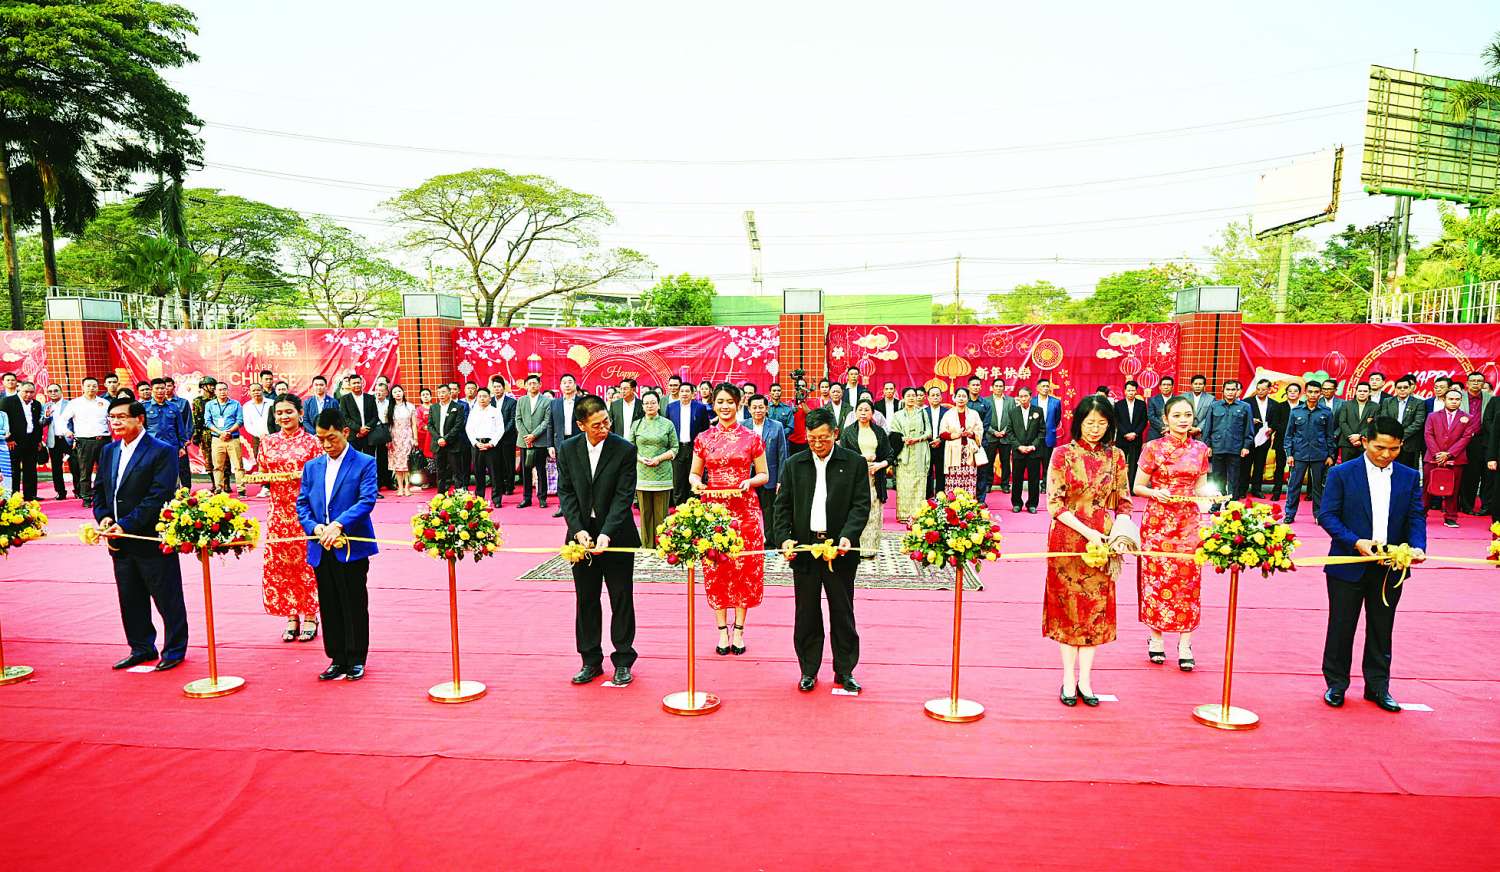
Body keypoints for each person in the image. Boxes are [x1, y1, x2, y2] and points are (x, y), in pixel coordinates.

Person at [1317, 415, 1427, 712]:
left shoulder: (1408, 476)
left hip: (1391, 566)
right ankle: (1336, 684)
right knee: (1341, 626)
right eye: (1380, 447)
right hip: (1348, 563)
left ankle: (1378, 687)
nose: (1386, 454)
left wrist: (1417, 546)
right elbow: (1327, 515)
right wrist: (1356, 541)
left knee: (1382, 627)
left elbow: (1416, 515)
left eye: (1394, 449)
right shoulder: (1342, 473)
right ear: (1365, 441)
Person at [1043, 395, 1134, 707]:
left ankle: (1086, 680)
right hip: (1068, 540)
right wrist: (1088, 532)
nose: (1095, 429)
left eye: (1102, 423)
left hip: (1103, 542)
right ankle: (1068, 679)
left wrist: (1120, 532)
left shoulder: (1116, 456)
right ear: (1078, 422)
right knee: (1068, 610)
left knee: (1095, 610)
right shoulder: (1062, 454)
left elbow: (1124, 502)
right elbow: (1055, 504)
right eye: (1090, 422)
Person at [774, 406, 870, 693]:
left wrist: (848, 536)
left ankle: (845, 670)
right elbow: (782, 507)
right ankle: (808, 670)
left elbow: (860, 505)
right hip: (805, 549)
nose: (817, 444)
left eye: (823, 438)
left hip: (839, 550)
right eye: (812, 438)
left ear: (835, 434)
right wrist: (784, 539)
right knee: (806, 613)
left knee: (842, 612)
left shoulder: (854, 463)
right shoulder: (794, 464)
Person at [93, 397, 187, 671]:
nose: (116, 422)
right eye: (112, 418)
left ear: (140, 419)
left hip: (150, 539)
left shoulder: (162, 451)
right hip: (118, 540)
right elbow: (100, 490)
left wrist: (126, 524)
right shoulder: (109, 450)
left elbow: (158, 496)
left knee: (167, 598)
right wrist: (104, 517)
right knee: (130, 598)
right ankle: (141, 647)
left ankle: (174, 650)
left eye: (122, 417)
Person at [556, 394, 640, 686]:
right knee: (586, 598)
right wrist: (577, 528)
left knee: (621, 597)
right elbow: (566, 492)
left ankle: (624, 659)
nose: (604, 428)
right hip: (581, 536)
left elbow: (623, 496)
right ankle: (590, 660)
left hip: (616, 533)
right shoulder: (568, 449)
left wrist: (606, 532)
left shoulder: (624, 449)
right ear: (581, 425)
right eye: (596, 425)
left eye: (606, 422)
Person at [297, 409, 379, 682]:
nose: (326, 445)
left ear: (345, 432)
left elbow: (366, 500)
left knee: (353, 601)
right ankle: (337, 657)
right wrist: (314, 527)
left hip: (351, 546)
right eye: (321, 439)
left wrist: (339, 524)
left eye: (331, 438)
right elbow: (303, 503)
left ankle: (356, 658)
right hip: (321, 545)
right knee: (329, 602)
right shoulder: (312, 467)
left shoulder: (364, 463)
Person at [690, 383, 769, 657]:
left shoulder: (751, 438)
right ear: (713, 404)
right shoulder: (703, 438)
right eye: (720, 402)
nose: (725, 407)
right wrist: (697, 483)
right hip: (713, 511)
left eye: (730, 402)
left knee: (743, 567)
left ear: (739, 404)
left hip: (745, 510)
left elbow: (764, 475)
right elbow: (694, 473)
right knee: (717, 568)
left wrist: (750, 482)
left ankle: (739, 631)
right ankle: (722, 630)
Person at [1134, 395, 1212, 669]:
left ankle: (1185, 643)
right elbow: (1138, 487)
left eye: (1187, 415)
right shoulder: (1153, 448)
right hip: (1158, 523)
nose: (1183, 420)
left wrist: (1211, 498)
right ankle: (1156, 638)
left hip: (1189, 523)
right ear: (1165, 419)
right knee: (1157, 580)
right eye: (1177, 415)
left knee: (1188, 581)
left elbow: (1201, 487)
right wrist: (1156, 493)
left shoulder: (1201, 449)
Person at [260, 395, 324, 643]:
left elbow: (320, 476)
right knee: (283, 566)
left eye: (289, 411)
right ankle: (291, 615)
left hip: (306, 512)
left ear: (300, 413)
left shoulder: (313, 442)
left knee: (307, 564)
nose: (284, 417)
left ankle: (310, 615)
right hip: (278, 513)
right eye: (279, 413)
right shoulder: (267, 442)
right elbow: (263, 474)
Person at [839, 398, 891, 560]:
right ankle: (855, 547)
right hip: (854, 478)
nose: (863, 413)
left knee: (873, 512)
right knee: (855, 511)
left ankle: (870, 549)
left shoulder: (879, 432)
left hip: (875, 478)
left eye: (866, 410)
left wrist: (880, 464)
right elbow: (843, 456)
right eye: (860, 410)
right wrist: (862, 459)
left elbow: (889, 454)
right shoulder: (848, 432)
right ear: (855, 413)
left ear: (872, 413)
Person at [1284, 382, 1336, 523]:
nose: (1313, 395)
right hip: (1299, 454)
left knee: (1318, 487)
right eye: (1310, 392)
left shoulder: (1326, 412)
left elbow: (1329, 436)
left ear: (1320, 393)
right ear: (1305, 393)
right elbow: (1289, 435)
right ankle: (1289, 514)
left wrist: (1331, 455)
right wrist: (1289, 454)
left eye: (1316, 392)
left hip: (1319, 454)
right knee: (1294, 486)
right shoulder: (1296, 411)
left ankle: (1319, 515)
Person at [1424, 387, 1474, 529]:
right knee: (1427, 488)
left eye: (1457, 399)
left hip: (1456, 459)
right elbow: (1428, 435)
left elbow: (1466, 438)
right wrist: (1437, 454)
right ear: (1444, 400)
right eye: (1451, 399)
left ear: (1461, 401)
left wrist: (1449, 454)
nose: (1454, 401)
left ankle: (1451, 517)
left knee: (1453, 489)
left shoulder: (1468, 418)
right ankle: (1421, 514)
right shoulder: (1432, 416)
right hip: (1433, 458)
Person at [631, 390, 676, 544]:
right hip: (642, 474)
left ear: (658, 405)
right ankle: (647, 545)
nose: (649, 406)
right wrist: (640, 459)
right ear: (642, 406)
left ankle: (662, 545)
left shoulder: (667, 424)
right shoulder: (636, 424)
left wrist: (659, 458)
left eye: (653, 402)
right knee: (645, 513)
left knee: (661, 514)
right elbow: (630, 448)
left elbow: (675, 448)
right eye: (646, 403)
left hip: (662, 475)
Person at [56, 376, 109, 508]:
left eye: (94, 386)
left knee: (105, 470)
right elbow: (62, 420)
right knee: (85, 472)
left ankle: (104, 497)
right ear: (83, 387)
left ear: (98, 387)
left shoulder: (104, 402)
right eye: (88, 386)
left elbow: (111, 419)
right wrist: (66, 431)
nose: (91, 388)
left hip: (104, 440)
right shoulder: (75, 403)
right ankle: (86, 497)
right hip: (85, 441)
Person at [1200, 378, 1253, 505]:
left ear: (1237, 391)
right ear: (1222, 391)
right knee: (1218, 477)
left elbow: (1249, 428)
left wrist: (1246, 446)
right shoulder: (1214, 406)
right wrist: (1208, 445)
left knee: (1234, 477)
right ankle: (1218, 503)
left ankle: (1232, 504)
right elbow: (1208, 427)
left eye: (1233, 389)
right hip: (1217, 447)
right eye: (1227, 389)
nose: (1230, 392)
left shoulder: (1245, 407)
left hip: (1236, 447)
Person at [746, 393, 789, 544]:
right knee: (749, 508)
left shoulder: (777, 426)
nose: (758, 410)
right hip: (748, 476)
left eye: (761, 407)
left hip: (769, 475)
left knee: (769, 509)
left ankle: (769, 541)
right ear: (749, 409)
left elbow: (782, 454)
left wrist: (780, 480)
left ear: (767, 408)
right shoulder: (742, 426)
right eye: (754, 407)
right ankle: (751, 539)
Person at [889, 387, 931, 524]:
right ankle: (904, 514)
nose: (912, 398)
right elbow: (893, 433)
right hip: (904, 451)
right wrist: (903, 439)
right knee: (904, 484)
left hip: (919, 450)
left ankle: (918, 514)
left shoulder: (922, 413)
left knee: (920, 482)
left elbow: (929, 432)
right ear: (903, 398)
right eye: (909, 395)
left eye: (914, 395)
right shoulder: (898, 415)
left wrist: (917, 439)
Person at [665, 381, 710, 506]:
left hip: (694, 448)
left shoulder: (700, 408)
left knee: (694, 480)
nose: (684, 394)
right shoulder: (671, 407)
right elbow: (667, 428)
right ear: (678, 393)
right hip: (677, 448)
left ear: (693, 394)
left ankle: (695, 509)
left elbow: (705, 429)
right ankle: (679, 510)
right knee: (678, 481)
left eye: (687, 391)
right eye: (682, 391)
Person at [939, 386, 985, 496]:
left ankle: (969, 503)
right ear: (954, 398)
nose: (961, 398)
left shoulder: (974, 414)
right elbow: (942, 433)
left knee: (969, 479)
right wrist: (956, 435)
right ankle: (952, 503)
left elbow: (980, 430)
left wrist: (971, 434)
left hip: (969, 451)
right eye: (958, 396)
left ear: (968, 399)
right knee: (953, 479)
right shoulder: (948, 414)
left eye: (964, 396)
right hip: (953, 451)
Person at [1, 381, 43, 500]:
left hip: (31, 441)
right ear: (19, 390)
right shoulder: (7, 401)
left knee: (30, 469)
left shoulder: (36, 404)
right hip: (14, 442)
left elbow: (37, 424)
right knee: (14, 470)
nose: (29, 395)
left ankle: (30, 495)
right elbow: (2, 422)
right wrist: (8, 439)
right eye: (26, 392)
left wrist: (38, 440)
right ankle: (14, 496)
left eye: (31, 392)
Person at [1007, 386, 1046, 513]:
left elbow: (1042, 431)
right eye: (1021, 396)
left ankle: (1032, 504)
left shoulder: (1038, 411)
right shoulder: (1013, 412)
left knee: (1034, 480)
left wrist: (1033, 446)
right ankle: (1017, 503)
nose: (1023, 399)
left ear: (1030, 397)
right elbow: (1009, 432)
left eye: (1025, 396)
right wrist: (1018, 446)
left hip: (1033, 452)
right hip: (1018, 452)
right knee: (1017, 479)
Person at [1459, 371, 1493, 515]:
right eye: (1473, 380)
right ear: (1467, 383)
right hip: (1464, 440)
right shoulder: (1459, 397)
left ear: (1483, 383)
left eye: (1479, 381)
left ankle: (1486, 506)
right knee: (1469, 475)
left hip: (1485, 439)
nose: (1476, 383)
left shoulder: (1490, 399)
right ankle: (1467, 506)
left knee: (1487, 475)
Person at [516, 374, 551, 509]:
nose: (532, 386)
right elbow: (518, 419)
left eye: (535, 383)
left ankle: (542, 498)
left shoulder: (546, 401)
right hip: (524, 441)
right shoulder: (521, 400)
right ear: (526, 386)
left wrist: (534, 435)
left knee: (541, 470)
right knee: (525, 470)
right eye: (529, 383)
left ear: (540, 385)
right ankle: (526, 498)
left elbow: (546, 421)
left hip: (540, 441)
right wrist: (527, 436)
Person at [204, 381, 245, 496]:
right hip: (217, 438)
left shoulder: (235, 404)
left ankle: (241, 490)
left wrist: (229, 432)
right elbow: (207, 422)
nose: (222, 392)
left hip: (233, 438)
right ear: (215, 392)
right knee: (218, 466)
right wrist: (220, 432)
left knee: (238, 465)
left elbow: (240, 421)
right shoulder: (210, 405)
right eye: (220, 390)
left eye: (224, 389)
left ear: (227, 391)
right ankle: (219, 489)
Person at [466, 387, 505, 507]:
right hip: (477, 446)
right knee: (478, 474)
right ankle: (479, 499)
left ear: (490, 398)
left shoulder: (495, 411)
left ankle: (496, 499)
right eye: (480, 396)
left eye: (484, 396)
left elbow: (500, 429)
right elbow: (469, 429)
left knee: (495, 474)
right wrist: (475, 443)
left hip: (491, 446)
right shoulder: (473, 412)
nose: (482, 399)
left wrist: (491, 443)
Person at [1382, 374, 1427, 473]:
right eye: (1399, 388)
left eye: (1405, 387)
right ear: (1395, 389)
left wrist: (1401, 436)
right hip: (1390, 442)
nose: (1402, 390)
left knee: (1409, 472)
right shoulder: (1387, 401)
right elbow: (1385, 419)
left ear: (1410, 388)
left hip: (1410, 443)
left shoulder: (1419, 403)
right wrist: (1394, 436)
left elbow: (1418, 422)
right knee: (1390, 471)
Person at [429, 384, 468, 495]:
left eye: (443, 392)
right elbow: (430, 425)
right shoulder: (434, 407)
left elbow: (458, 426)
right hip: (438, 445)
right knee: (440, 473)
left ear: (449, 393)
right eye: (439, 393)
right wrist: (438, 439)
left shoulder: (458, 407)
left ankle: (459, 496)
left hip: (453, 444)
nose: (441, 395)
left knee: (457, 472)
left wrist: (445, 439)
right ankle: (440, 496)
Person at [1245, 379, 1278, 497]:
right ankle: (1242, 489)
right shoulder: (1247, 402)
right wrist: (1250, 420)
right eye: (1258, 389)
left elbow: (1276, 421)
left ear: (1269, 390)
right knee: (1246, 464)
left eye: (1263, 389)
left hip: (1264, 438)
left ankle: (1257, 489)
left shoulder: (1274, 404)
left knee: (1259, 465)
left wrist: (1272, 428)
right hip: (1249, 438)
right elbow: (1240, 419)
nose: (1260, 391)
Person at [965, 376, 996, 500]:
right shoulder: (964, 402)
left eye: (978, 385)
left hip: (981, 442)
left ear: (981, 387)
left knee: (982, 471)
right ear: (968, 387)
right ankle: (966, 498)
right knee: (966, 471)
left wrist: (975, 436)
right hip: (964, 442)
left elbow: (986, 425)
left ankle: (980, 499)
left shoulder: (986, 404)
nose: (976, 387)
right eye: (973, 385)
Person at [1113, 379, 1148, 487]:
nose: (1131, 393)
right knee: (1120, 462)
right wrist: (1125, 433)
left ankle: (1132, 487)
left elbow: (1144, 421)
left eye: (1133, 390)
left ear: (1136, 391)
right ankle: (1119, 486)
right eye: (1129, 390)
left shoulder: (1141, 404)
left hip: (1136, 438)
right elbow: (1116, 421)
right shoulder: (1118, 404)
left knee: (1134, 463)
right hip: (1122, 438)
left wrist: (1135, 433)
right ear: (1125, 391)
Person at [1334, 381, 1378, 464]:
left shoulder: (1375, 406)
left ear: (1370, 393)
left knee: (1363, 468)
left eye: (1365, 391)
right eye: (1360, 391)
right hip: (1347, 443)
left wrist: (1360, 436)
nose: (1362, 393)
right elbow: (1342, 422)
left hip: (1365, 443)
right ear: (1356, 392)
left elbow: (1375, 424)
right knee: (1346, 468)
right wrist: (1351, 438)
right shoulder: (1346, 405)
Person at [339, 374, 379, 462]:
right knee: (353, 462)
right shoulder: (344, 399)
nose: (356, 385)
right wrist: (359, 429)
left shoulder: (370, 398)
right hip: (354, 436)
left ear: (362, 384)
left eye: (358, 382)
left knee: (369, 461)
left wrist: (366, 429)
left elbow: (375, 417)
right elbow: (345, 418)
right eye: (354, 383)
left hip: (369, 436)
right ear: (349, 385)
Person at [387, 384, 418, 497]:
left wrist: (415, 438)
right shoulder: (390, 408)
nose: (398, 394)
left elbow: (414, 424)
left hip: (407, 437)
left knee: (407, 464)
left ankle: (407, 487)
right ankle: (400, 487)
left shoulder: (410, 406)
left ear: (403, 392)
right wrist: (388, 440)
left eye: (399, 391)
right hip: (394, 438)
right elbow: (388, 426)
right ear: (392, 395)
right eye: (395, 392)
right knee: (397, 465)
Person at [41, 384, 71, 500]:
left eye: (55, 390)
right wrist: (46, 416)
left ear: (61, 391)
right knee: (56, 468)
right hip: (54, 440)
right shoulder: (46, 406)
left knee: (75, 466)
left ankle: (78, 490)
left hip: (69, 439)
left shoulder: (69, 404)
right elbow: (41, 423)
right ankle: (60, 492)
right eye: (50, 391)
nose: (53, 393)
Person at [987, 377, 1014, 495]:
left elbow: (1013, 418)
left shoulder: (1010, 401)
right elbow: (983, 420)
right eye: (996, 386)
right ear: (992, 388)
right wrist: (993, 432)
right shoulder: (986, 401)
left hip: (1005, 436)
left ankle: (1005, 484)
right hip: (990, 436)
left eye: (1000, 386)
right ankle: (988, 484)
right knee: (989, 461)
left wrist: (1005, 430)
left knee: (1006, 462)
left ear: (1004, 388)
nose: (998, 388)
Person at [1035, 378, 1062, 478]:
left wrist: (1050, 427)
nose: (1046, 388)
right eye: (1043, 386)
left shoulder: (1056, 402)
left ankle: (1045, 483)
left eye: (1047, 386)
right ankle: (1034, 484)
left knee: (1047, 463)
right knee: (1034, 464)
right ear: (1038, 388)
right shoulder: (1032, 401)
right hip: (1034, 437)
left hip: (1049, 436)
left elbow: (1057, 419)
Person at [923, 386, 947, 498]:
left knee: (941, 472)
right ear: (928, 398)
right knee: (927, 472)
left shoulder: (947, 412)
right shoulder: (922, 412)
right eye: (933, 395)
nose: (935, 397)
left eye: (938, 395)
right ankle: (928, 497)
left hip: (942, 446)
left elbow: (950, 429)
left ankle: (940, 496)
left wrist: (940, 440)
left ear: (941, 397)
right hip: (926, 446)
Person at [1145, 376, 1176, 442]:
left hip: (1173, 433)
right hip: (1155, 434)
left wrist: (1170, 428)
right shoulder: (1153, 400)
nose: (1166, 387)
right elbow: (1151, 417)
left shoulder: (1178, 400)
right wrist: (1164, 428)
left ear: (1173, 387)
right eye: (1164, 385)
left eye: (1168, 385)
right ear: (1160, 387)